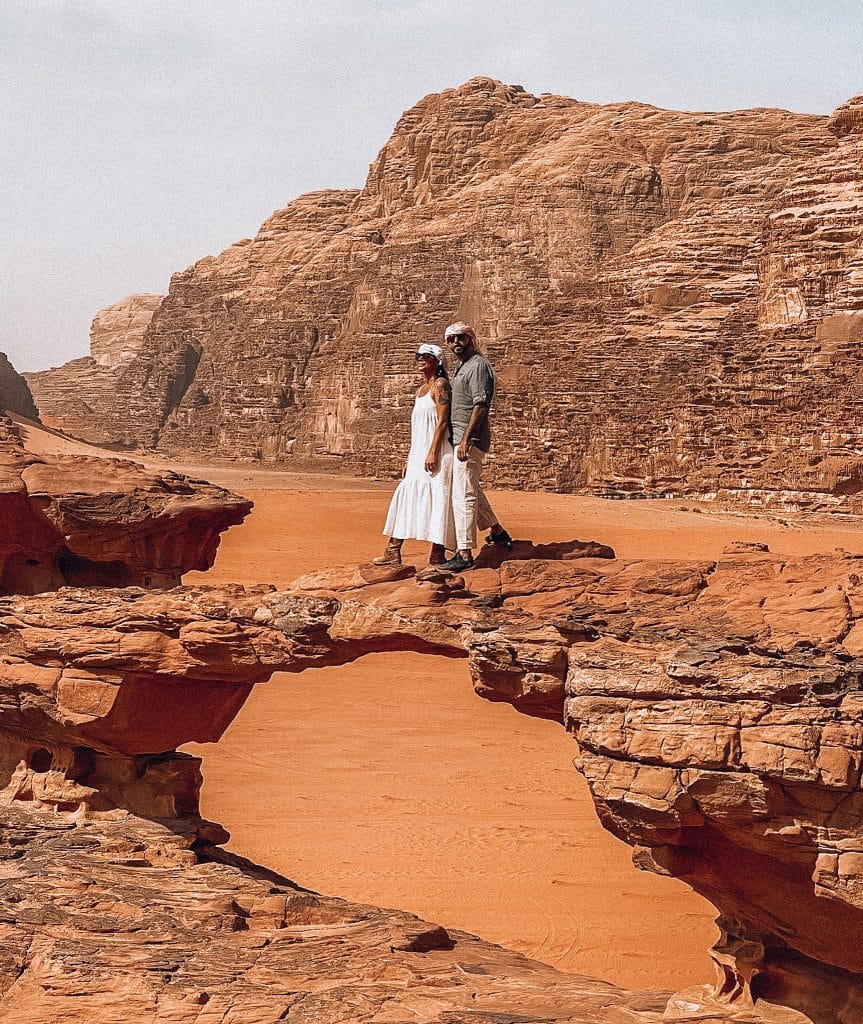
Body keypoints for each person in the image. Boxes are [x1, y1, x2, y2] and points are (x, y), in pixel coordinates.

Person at [437, 322, 511, 573]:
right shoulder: (463, 367)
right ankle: (498, 532)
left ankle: (465, 553)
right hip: (459, 438)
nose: (456, 343)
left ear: (471, 339)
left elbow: (481, 405)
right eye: (451, 339)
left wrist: (467, 439)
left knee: (464, 494)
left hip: (469, 440)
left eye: (461, 338)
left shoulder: (478, 366)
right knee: (471, 489)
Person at [374, 343, 456, 566]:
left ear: (436, 361)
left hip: (436, 454)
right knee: (407, 497)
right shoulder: (421, 390)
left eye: (426, 356)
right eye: (418, 356)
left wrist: (433, 451)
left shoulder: (441, 385)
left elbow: (442, 421)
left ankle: (437, 554)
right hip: (420, 453)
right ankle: (393, 550)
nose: (420, 359)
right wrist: (411, 457)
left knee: (439, 500)